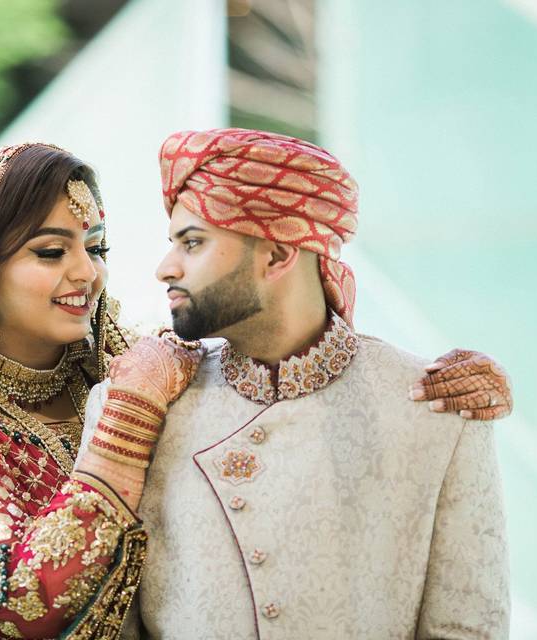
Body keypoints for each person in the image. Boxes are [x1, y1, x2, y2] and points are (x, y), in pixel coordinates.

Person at [0, 140, 512, 640]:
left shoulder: (124, 369)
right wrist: (128, 418)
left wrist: (440, 387)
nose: (87, 273)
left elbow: (278, 345)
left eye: (97, 248)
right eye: (51, 253)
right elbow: (22, 597)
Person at [79, 128, 510, 639]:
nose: (164, 268)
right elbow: (107, 626)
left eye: (192, 242)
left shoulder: (437, 412)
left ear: (279, 254)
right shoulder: (133, 405)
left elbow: (467, 629)